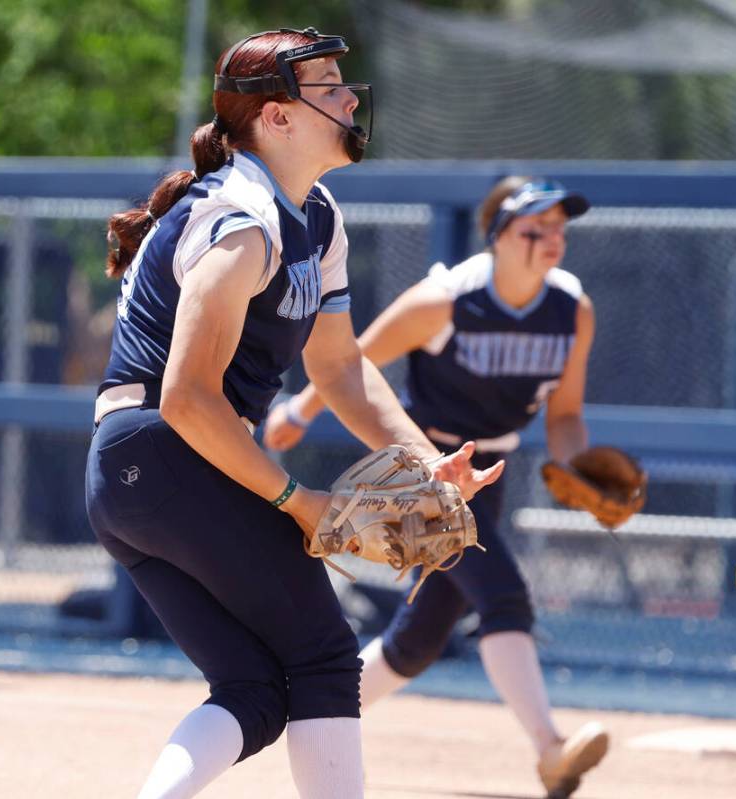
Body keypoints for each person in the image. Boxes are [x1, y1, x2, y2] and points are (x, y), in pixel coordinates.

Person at [84, 27, 502, 799]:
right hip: (171, 449)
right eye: (330, 85)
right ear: (275, 117)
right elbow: (186, 396)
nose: (350, 96)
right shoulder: (242, 221)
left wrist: (421, 458)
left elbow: (340, 367)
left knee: (253, 687)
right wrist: (296, 500)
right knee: (322, 656)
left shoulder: (312, 216)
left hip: (132, 476)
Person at [265, 176, 610, 798]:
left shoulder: (571, 310)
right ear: (499, 235)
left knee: (420, 640)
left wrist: (579, 469)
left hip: (490, 476)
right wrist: (300, 413)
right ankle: (551, 752)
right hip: (426, 475)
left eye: (560, 227)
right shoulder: (448, 298)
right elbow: (354, 358)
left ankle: (306, 710)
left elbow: (564, 416)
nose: (552, 239)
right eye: (536, 227)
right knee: (504, 598)